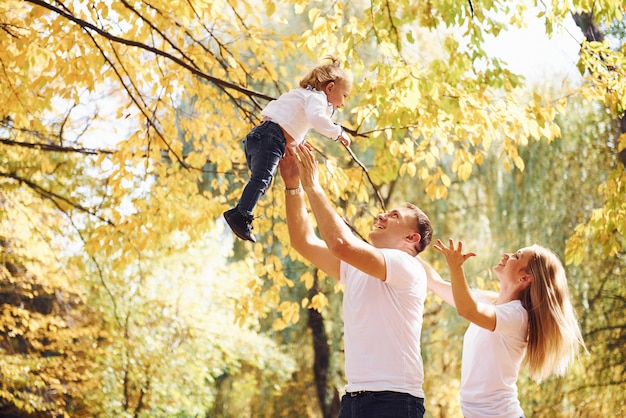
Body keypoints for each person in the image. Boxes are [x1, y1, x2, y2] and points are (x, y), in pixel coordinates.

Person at [279, 144, 433, 418]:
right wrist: (293, 187)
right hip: (353, 400)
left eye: (394, 215)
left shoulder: (406, 266)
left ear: (412, 239)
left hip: (394, 401)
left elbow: (340, 243)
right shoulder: (357, 268)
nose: (381, 215)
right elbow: (302, 241)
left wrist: (313, 185)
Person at [419, 239, 586, 418]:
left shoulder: (518, 317)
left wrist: (456, 267)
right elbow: (434, 281)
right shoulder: (488, 304)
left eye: (516, 256)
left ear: (525, 278)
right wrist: (400, 245)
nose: (507, 255)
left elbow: (467, 310)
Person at [223, 57, 352, 242]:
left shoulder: (301, 95)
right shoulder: (317, 98)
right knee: (262, 179)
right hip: (270, 139)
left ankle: (240, 211)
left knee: (262, 182)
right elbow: (316, 119)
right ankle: (240, 214)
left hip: (259, 137)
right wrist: (337, 131)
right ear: (330, 88)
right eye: (345, 95)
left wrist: (297, 142)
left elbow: (289, 121)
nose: (343, 103)